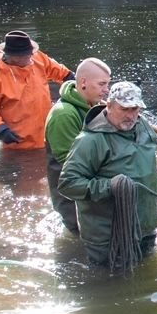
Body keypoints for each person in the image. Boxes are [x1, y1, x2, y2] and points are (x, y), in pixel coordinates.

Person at [58, 81, 157, 270]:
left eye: (135, 109)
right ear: (109, 105)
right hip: (108, 237)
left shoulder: (144, 127)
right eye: (125, 109)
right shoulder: (90, 141)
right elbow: (68, 183)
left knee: (149, 274)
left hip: (146, 226)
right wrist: (110, 186)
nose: (131, 116)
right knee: (109, 285)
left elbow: (148, 161)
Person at [44, 58, 112, 233]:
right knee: (80, 236)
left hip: (93, 188)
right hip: (71, 197)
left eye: (108, 84)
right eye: (102, 84)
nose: (107, 90)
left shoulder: (96, 106)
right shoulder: (63, 115)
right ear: (83, 82)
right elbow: (68, 162)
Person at [0, 31, 73, 151]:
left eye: (31, 53)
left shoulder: (37, 58)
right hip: (18, 143)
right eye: (27, 54)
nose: (31, 56)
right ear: (14, 57)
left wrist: (75, 81)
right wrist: (0, 130)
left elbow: (62, 73)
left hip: (49, 137)